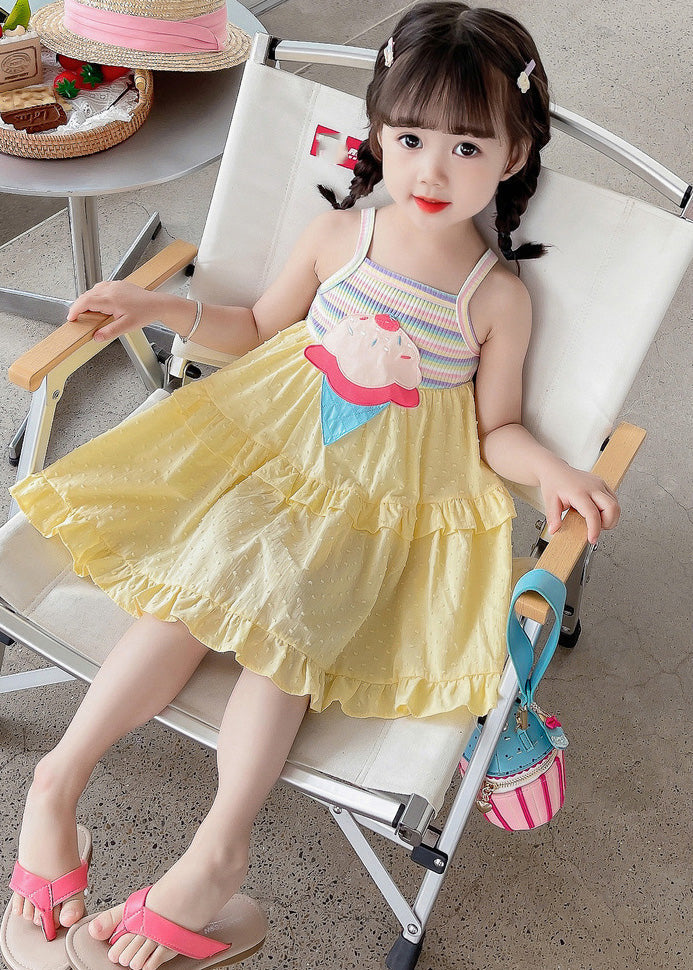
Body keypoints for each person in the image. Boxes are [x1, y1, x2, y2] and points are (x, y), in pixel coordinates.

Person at [3, 4, 620, 970]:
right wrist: (157, 303)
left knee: (288, 624)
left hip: (382, 508)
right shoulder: (342, 236)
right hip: (271, 456)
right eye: (409, 139)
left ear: (512, 155)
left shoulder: (495, 298)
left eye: (465, 147)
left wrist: (552, 469)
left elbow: (493, 429)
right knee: (196, 585)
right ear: (377, 132)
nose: (430, 171)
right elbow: (256, 327)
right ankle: (56, 782)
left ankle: (218, 850)